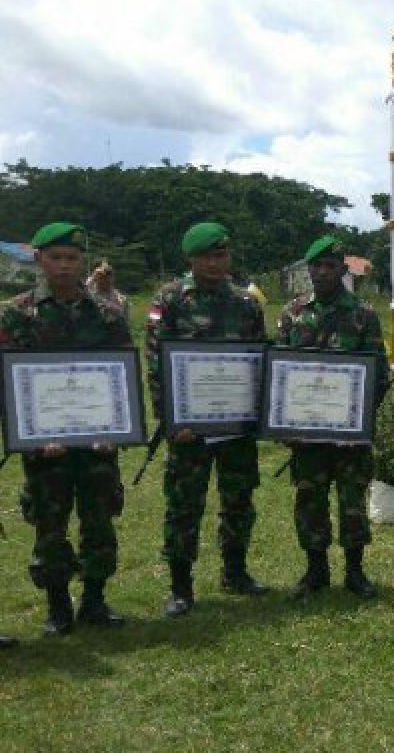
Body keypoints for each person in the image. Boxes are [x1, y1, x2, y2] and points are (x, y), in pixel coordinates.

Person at [0, 222, 131, 636]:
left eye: (71, 258)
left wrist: (117, 430)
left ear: (82, 263)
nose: (63, 266)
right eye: (55, 257)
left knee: (99, 522)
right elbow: (8, 382)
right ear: (39, 260)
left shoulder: (107, 314)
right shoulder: (16, 313)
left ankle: (95, 600)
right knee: (50, 525)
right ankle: (58, 607)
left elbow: (122, 379)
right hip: (46, 446)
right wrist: (33, 438)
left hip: (97, 443)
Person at [146, 221, 269, 618]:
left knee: (238, 500)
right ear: (191, 260)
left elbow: (260, 362)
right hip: (189, 429)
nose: (215, 263)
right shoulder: (170, 300)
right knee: (184, 505)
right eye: (206, 257)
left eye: (221, 255)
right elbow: (155, 364)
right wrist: (170, 420)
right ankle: (181, 587)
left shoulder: (246, 303)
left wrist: (257, 415)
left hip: (236, 426)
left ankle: (235, 571)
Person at [279, 235, 388, 600]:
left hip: (350, 435)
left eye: (331, 266)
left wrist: (356, 419)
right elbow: (279, 373)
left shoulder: (363, 315)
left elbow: (379, 376)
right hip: (306, 432)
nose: (323, 272)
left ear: (343, 270)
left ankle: (355, 571)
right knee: (310, 499)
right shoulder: (292, 314)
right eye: (317, 266)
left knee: (352, 501)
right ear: (308, 269)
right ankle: (315, 570)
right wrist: (286, 422)